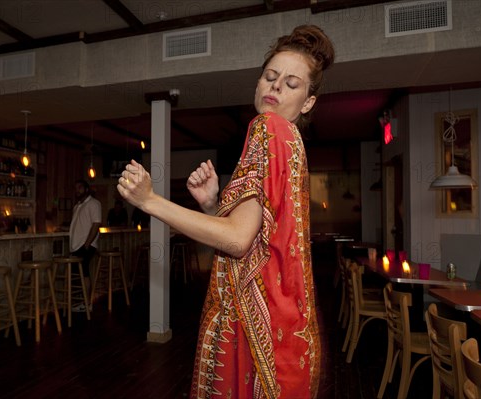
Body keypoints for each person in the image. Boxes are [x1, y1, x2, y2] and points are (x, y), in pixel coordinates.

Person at [117, 25, 335, 399]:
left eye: (292, 83)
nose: (276, 86)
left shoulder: (267, 129)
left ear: (309, 101)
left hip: (257, 334)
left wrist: (149, 200)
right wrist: (211, 205)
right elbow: (259, 239)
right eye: (270, 76)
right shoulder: (290, 142)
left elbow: (237, 241)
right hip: (285, 336)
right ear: (257, 82)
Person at [69, 179, 102, 311]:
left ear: (86, 189)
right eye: (76, 188)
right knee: (78, 274)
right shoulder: (77, 206)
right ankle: (83, 302)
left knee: (84, 273)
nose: (77, 190)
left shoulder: (94, 203)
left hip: (86, 245)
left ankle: (88, 303)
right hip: (76, 245)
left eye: (80, 188)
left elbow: (96, 224)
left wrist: (87, 244)